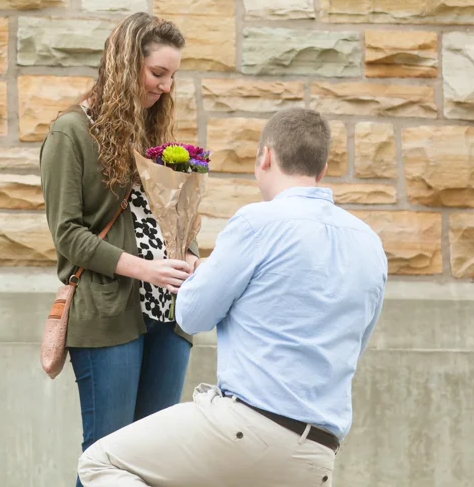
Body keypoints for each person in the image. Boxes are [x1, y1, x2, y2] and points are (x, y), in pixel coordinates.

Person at [77, 108, 388, 487]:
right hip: (317, 455)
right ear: (321, 171)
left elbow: (191, 315)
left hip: (247, 430)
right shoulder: (370, 243)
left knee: (100, 463)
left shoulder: (257, 223)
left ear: (265, 157)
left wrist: (198, 272)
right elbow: (356, 344)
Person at [39, 12, 201, 487]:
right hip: (109, 313)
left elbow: (171, 213)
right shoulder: (70, 133)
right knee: (106, 460)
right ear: (126, 65)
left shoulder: (152, 133)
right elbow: (68, 234)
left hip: (168, 314)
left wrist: (190, 253)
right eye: (157, 73)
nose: (166, 87)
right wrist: (144, 269)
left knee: (155, 464)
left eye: (172, 77)